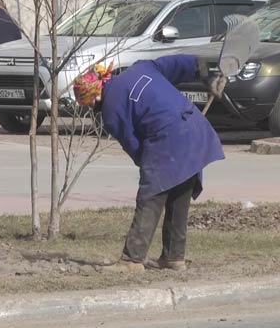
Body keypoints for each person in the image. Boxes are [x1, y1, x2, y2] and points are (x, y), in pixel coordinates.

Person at [72, 55, 226, 273]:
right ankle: (173, 257)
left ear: (94, 97)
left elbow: (133, 144)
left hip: (167, 137)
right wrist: (204, 73)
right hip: (194, 129)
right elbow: (179, 63)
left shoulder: (110, 110)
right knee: (179, 193)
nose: (91, 108)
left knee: (150, 198)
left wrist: (148, 169)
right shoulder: (142, 67)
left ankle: (132, 260)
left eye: (87, 104)